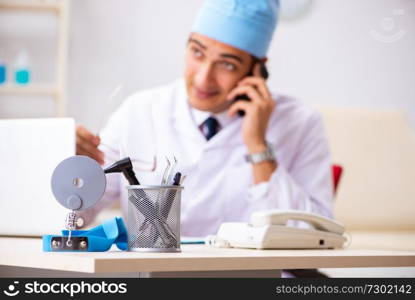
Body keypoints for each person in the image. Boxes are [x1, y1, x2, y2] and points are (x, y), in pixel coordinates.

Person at [76, 0, 334, 239]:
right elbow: (75, 216)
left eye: (227, 65)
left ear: (258, 69)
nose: (203, 78)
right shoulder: (139, 111)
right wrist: (67, 167)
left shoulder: (301, 123)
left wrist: (258, 148)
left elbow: (317, 236)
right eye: (197, 53)